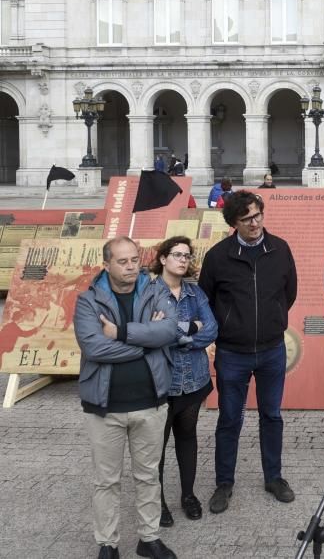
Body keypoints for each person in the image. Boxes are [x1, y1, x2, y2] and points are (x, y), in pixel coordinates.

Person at [74, 236, 182, 559]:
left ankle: (148, 538)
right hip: (104, 408)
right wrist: (145, 340)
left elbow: (169, 332)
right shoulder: (88, 301)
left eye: (135, 259)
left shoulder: (155, 290)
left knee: (148, 475)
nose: (132, 266)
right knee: (106, 481)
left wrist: (120, 333)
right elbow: (94, 347)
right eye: (123, 261)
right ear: (106, 264)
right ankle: (107, 543)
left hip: (150, 403)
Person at [198, 190, 298, 513]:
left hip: (271, 350)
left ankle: (274, 477)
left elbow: (289, 293)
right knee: (229, 419)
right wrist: (230, 326)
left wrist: (275, 319)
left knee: (272, 416)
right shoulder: (217, 257)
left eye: (258, 216)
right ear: (233, 223)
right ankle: (224, 483)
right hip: (232, 353)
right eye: (246, 219)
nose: (255, 223)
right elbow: (206, 300)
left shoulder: (280, 249)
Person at [150, 236, 218, 528]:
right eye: (177, 254)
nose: (183, 260)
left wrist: (177, 335)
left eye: (187, 256)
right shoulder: (149, 292)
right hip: (160, 381)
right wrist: (191, 328)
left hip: (193, 378)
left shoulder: (195, 293)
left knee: (187, 436)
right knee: (156, 444)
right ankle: (157, 501)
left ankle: (188, 495)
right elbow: (147, 331)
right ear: (163, 258)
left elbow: (212, 328)